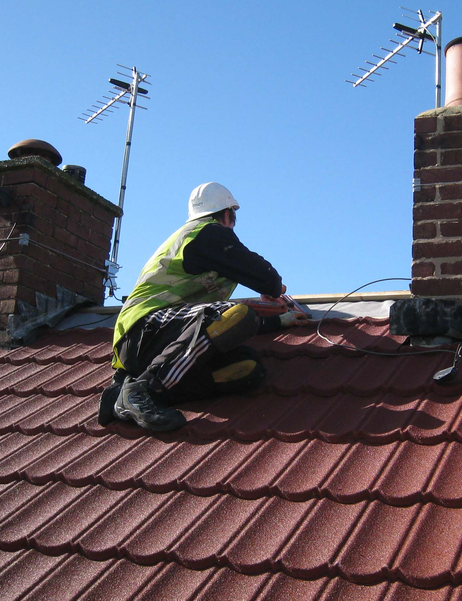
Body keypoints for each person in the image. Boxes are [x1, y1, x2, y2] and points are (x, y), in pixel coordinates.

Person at [98, 182, 306, 431]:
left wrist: (280, 320)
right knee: (237, 314)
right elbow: (263, 276)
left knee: (247, 368)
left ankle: (127, 394)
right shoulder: (207, 232)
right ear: (227, 215)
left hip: (160, 341)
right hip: (144, 327)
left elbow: (217, 325)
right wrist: (276, 288)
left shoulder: (200, 241)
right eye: (233, 219)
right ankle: (141, 390)